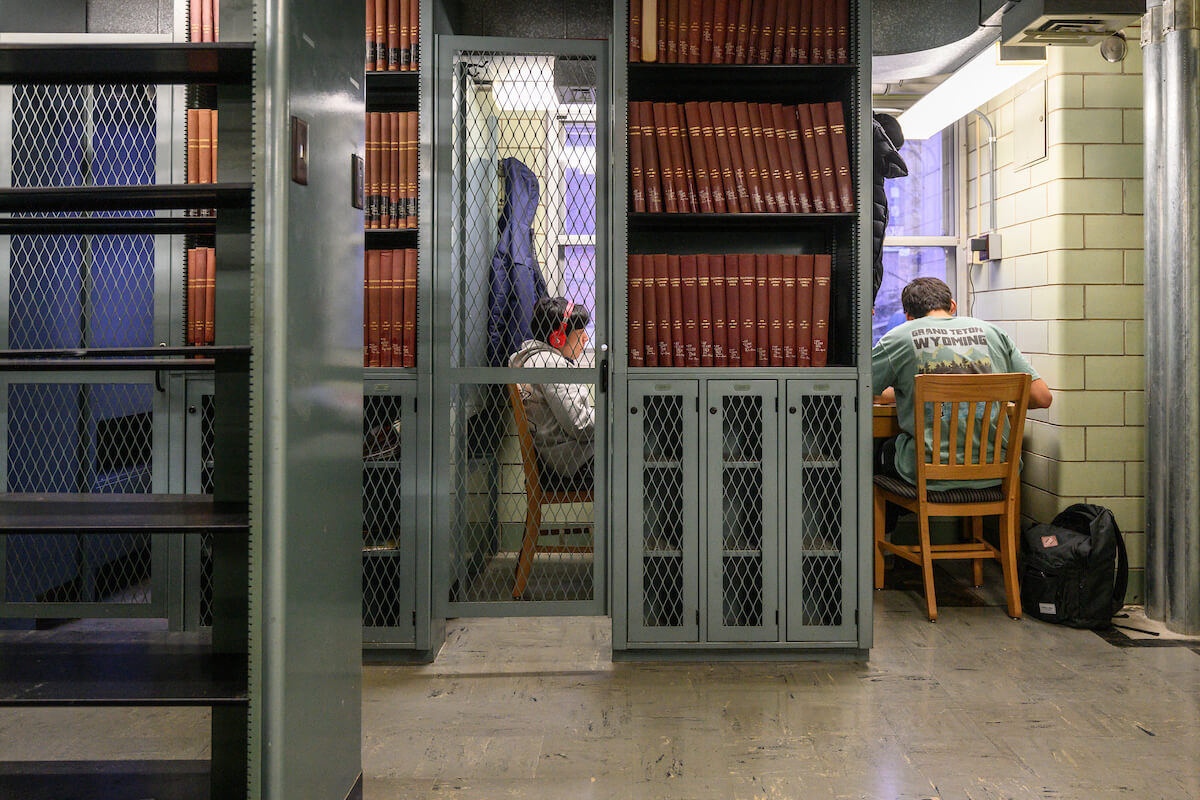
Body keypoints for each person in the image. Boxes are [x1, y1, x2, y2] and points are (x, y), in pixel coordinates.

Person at [873, 277, 1052, 490]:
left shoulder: (898, 337)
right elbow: (1042, 397)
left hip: (929, 472)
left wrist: (904, 392)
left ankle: (911, 511)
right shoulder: (993, 333)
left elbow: (863, 389)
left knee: (880, 450)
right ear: (952, 305)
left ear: (908, 316)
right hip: (996, 469)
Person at [509, 296, 595, 487]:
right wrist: (615, 419)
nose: (585, 338)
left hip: (562, 459)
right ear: (558, 337)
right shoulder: (550, 363)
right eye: (580, 332)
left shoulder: (534, 359)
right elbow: (580, 425)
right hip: (575, 461)